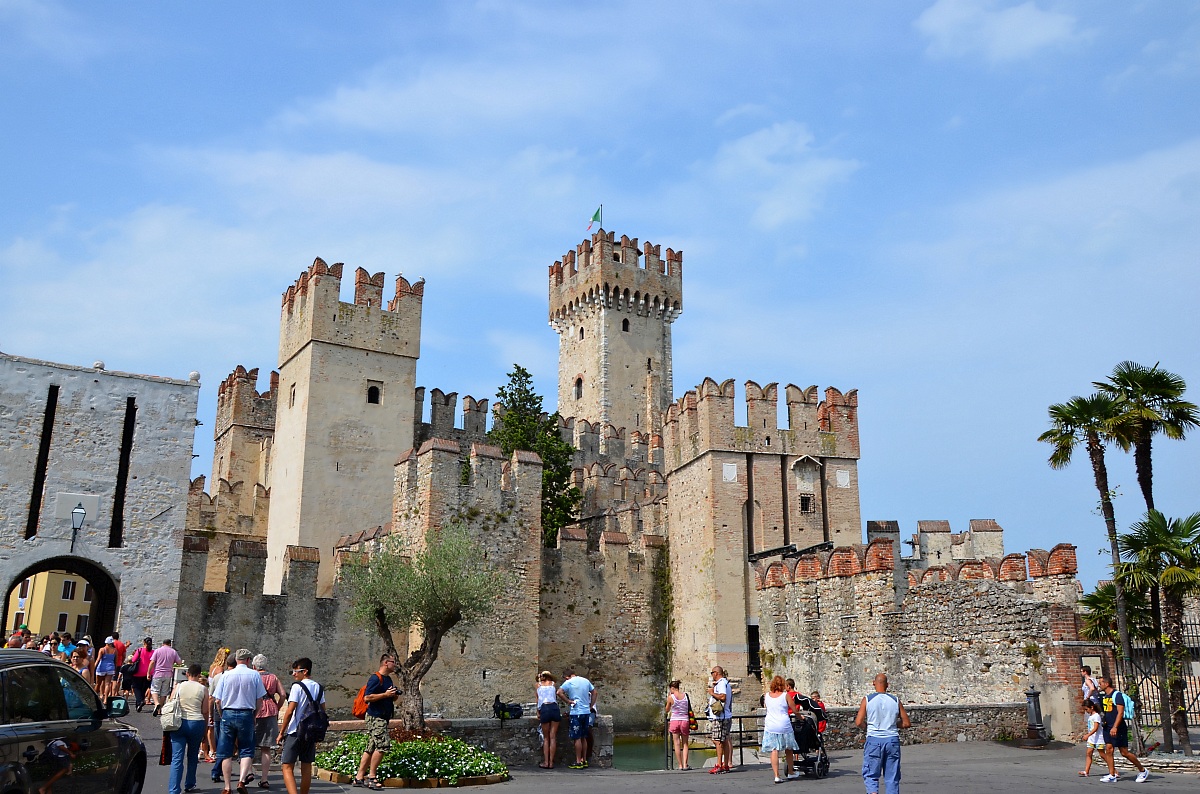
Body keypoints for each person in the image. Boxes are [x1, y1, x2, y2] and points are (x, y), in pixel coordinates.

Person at [213, 648, 268, 794]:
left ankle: (227, 787)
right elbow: (260, 699)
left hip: (228, 712)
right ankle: (241, 780)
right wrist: (254, 715)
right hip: (246, 713)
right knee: (246, 749)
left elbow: (217, 700)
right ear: (248, 660)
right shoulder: (254, 675)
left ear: (236, 660)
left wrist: (222, 714)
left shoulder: (226, 675)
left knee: (226, 752)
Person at [854, 673, 911, 794]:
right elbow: (906, 723)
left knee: (871, 774)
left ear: (873, 683)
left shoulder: (868, 699)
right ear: (887, 685)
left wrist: (867, 727)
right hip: (892, 739)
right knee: (892, 776)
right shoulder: (895, 700)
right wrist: (892, 724)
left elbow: (858, 722)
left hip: (874, 739)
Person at [276, 658, 325, 794]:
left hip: (295, 731)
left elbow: (290, 711)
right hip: (311, 732)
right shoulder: (319, 687)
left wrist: (281, 732)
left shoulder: (297, 687)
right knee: (306, 767)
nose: (294, 674)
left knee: (287, 766)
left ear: (305, 671)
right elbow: (323, 710)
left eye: (296, 671)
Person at [354, 654, 399, 790]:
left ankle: (359, 777)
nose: (395, 664)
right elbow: (367, 697)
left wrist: (393, 695)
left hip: (383, 717)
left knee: (371, 747)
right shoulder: (375, 678)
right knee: (383, 746)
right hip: (375, 717)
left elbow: (388, 697)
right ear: (386, 663)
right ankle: (372, 777)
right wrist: (385, 695)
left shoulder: (388, 679)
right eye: (393, 662)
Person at [1097, 675, 1149, 783]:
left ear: (1106, 684)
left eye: (1100, 683)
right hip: (1107, 726)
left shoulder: (1117, 695)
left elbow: (1120, 712)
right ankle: (1112, 774)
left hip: (1118, 727)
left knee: (1124, 752)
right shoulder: (1105, 696)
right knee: (1109, 749)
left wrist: (1115, 727)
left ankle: (1143, 770)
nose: (1099, 685)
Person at [168, 663, 210, 794]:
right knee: (192, 755)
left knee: (177, 758)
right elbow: (205, 711)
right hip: (196, 722)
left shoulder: (179, 686)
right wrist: (205, 730)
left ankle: (174, 789)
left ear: (187, 674)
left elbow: (171, 702)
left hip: (179, 722)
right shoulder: (203, 689)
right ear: (199, 675)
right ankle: (190, 783)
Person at [253, 654, 286, 789]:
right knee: (266, 748)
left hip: (255, 710)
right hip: (270, 711)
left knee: (248, 746)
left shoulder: (253, 676)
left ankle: (247, 774)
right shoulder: (273, 677)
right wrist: (277, 707)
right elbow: (283, 694)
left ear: (254, 666)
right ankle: (264, 779)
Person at [762, 675, 801, 784]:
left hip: (771, 725)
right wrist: (800, 717)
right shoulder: (785, 696)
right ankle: (790, 772)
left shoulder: (767, 696)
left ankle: (776, 776)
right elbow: (794, 710)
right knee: (789, 749)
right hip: (784, 724)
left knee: (774, 750)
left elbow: (767, 707)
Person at [557, 668, 596, 770]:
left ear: (567, 677)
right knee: (584, 737)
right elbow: (594, 693)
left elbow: (559, 692)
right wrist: (591, 705)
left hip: (576, 712)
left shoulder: (569, 682)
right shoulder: (585, 681)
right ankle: (584, 760)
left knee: (577, 737)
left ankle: (578, 761)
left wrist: (568, 701)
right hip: (586, 712)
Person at [706, 666, 733, 774]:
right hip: (726, 716)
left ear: (716, 673)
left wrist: (712, 693)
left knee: (717, 741)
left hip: (720, 717)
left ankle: (719, 765)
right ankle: (725, 764)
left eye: (712, 673)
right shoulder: (725, 683)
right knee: (724, 740)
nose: (712, 675)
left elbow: (723, 697)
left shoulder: (721, 683)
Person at [149, 638, 183, 716]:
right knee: (164, 692)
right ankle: (160, 709)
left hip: (158, 673)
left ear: (163, 644)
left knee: (154, 690)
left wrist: (148, 672)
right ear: (170, 644)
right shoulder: (173, 652)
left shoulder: (158, 651)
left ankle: (156, 703)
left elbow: (152, 662)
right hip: (168, 674)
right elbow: (179, 662)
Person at [536, 671, 561, 769]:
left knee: (546, 738)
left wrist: (538, 712)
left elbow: (538, 700)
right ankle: (551, 762)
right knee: (553, 737)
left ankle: (546, 762)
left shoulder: (538, 685)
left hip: (545, 708)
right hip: (554, 708)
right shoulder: (553, 684)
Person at [665, 679, 692, 770]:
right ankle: (685, 764)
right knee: (685, 744)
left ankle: (680, 765)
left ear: (672, 688)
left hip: (675, 721)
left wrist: (669, 698)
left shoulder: (671, 697)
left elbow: (667, 710)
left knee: (676, 744)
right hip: (685, 721)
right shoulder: (685, 696)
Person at [129, 637, 154, 712]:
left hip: (138, 673)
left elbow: (133, 660)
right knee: (143, 689)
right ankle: (139, 704)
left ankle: (140, 701)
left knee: (136, 688)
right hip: (148, 673)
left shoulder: (140, 650)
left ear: (144, 643)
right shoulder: (153, 652)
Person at [1080, 699, 1103, 777]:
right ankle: (1086, 771)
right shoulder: (1091, 716)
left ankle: (1113, 770)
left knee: (1102, 754)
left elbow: (1096, 728)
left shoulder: (1096, 716)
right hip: (1092, 739)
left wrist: (1087, 735)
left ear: (1092, 707)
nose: (1086, 711)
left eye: (1086, 709)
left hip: (1098, 738)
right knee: (1089, 753)